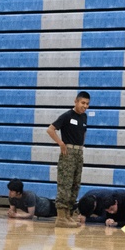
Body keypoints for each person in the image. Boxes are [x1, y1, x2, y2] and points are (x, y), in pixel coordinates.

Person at [46, 90, 90, 225]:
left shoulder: (84, 117)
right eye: (83, 103)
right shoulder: (67, 115)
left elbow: (83, 133)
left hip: (78, 153)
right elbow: (50, 129)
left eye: (87, 104)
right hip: (68, 153)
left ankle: (68, 215)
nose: (85, 106)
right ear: (76, 101)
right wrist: (61, 143)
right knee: (65, 183)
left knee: (75, 184)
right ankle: (61, 217)